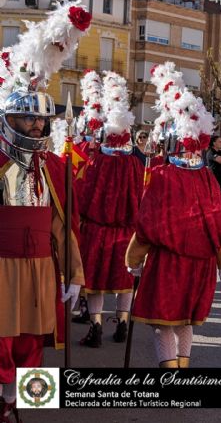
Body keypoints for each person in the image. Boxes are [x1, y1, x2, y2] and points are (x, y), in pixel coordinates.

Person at [0, 0, 90, 422]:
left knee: (34, 342)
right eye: (26, 119)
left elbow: (63, 226)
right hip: (0, 268)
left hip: (39, 268)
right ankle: (2, 405)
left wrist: (73, 274)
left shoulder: (53, 166)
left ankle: (27, 406)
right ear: (7, 119)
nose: (36, 127)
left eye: (40, 121)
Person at [126, 62, 221, 367]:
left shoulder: (163, 176)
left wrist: (132, 259)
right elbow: (218, 223)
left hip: (168, 263)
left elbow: (148, 225)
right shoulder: (208, 178)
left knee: (164, 323)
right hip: (200, 266)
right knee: (185, 321)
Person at [75, 71, 144, 349]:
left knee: (95, 283)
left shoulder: (97, 164)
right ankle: (123, 321)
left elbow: (84, 195)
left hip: (97, 229)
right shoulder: (135, 165)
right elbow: (142, 197)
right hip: (127, 232)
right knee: (123, 280)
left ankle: (96, 326)